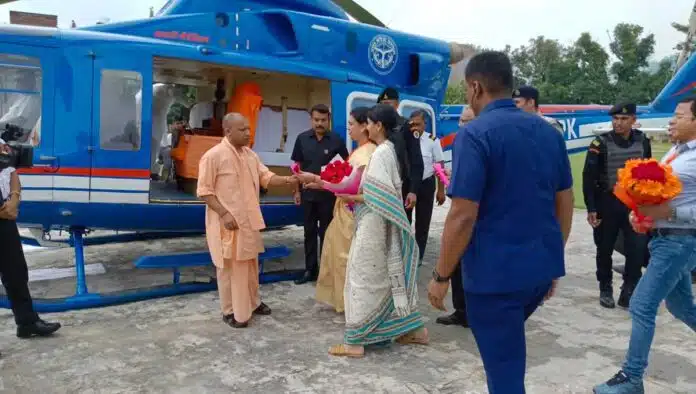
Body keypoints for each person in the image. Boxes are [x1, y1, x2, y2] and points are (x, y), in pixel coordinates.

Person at [426, 51, 574, 394]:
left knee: (505, 373)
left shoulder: (475, 134)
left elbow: (462, 215)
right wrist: (551, 260)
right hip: (536, 273)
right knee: (507, 352)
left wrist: (441, 275)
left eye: (466, 90)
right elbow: (564, 202)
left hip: (496, 279)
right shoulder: (549, 134)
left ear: (476, 87)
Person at [593, 95, 696, 394]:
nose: (672, 120)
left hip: (679, 243)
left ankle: (631, 378)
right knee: (681, 308)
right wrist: (644, 214)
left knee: (641, 304)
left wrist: (666, 213)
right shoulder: (677, 152)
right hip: (663, 239)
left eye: (680, 115)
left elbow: (676, 207)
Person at [327, 104, 428, 358]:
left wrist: (348, 196)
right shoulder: (391, 149)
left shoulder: (382, 152)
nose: (366, 126)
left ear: (379, 126)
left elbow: (377, 195)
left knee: (362, 279)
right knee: (388, 278)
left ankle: (355, 342)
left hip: (374, 224)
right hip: (380, 223)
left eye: (369, 123)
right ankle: (413, 330)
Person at [197, 113, 300, 328]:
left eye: (248, 129)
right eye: (242, 129)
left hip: (249, 222)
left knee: (251, 265)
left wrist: (289, 180)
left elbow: (266, 177)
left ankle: (253, 302)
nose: (248, 133)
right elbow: (204, 191)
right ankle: (230, 310)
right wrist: (224, 213)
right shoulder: (213, 156)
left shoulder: (250, 155)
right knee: (229, 268)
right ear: (228, 131)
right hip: (228, 223)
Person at [295, 107, 377, 313]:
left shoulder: (365, 152)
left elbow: (355, 183)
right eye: (316, 119)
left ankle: (353, 305)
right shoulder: (303, 139)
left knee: (344, 258)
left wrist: (321, 182)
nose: (348, 128)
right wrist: (315, 182)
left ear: (364, 126)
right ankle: (314, 273)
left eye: (351, 124)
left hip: (349, 208)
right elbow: (343, 177)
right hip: (337, 205)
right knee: (313, 235)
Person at [582, 102, 652, 309]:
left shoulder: (642, 141)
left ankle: (629, 290)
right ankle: (605, 288)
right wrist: (591, 208)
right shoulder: (600, 143)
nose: (618, 123)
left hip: (634, 204)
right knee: (604, 248)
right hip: (607, 202)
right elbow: (589, 177)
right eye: (615, 119)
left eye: (623, 119)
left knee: (637, 249)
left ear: (633, 120)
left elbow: (649, 172)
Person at [0, 139, 61, 355]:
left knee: (16, 271)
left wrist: (15, 199)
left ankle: (26, 322)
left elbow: (11, 171)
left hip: (4, 215)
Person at [290, 104, 349, 285]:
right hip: (307, 195)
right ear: (311, 119)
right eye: (316, 120)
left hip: (328, 197)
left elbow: (345, 166)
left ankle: (325, 271)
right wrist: (295, 191)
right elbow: (296, 167)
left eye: (323, 120)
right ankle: (310, 270)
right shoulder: (302, 139)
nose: (319, 123)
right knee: (309, 232)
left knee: (326, 234)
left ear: (328, 120)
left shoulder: (337, 140)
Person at [435, 106, 474, 328]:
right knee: (458, 262)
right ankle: (461, 311)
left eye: (467, 121)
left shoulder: (479, 141)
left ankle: (475, 311)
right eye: (461, 120)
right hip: (460, 207)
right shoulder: (460, 142)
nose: (462, 125)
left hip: (476, 215)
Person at [407, 110, 446, 263]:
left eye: (418, 124)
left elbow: (439, 166)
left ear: (425, 124)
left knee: (423, 222)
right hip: (409, 186)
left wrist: (441, 190)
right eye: (412, 124)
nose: (414, 127)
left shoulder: (432, 141)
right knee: (406, 219)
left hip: (426, 185)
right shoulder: (406, 139)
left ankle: (419, 256)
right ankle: (407, 252)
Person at [377, 87, 424, 212]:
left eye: (388, 104)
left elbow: (416, 161)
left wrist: (413, 191)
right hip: (381, 186)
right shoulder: (378, 127)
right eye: (382, 104)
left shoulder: (407, 127)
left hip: (402, 187)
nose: (385, 107)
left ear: (397, 104)